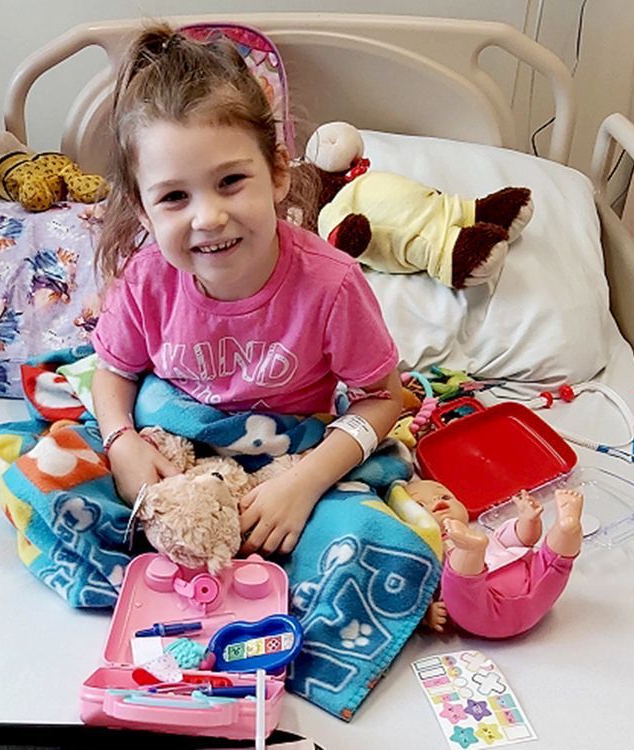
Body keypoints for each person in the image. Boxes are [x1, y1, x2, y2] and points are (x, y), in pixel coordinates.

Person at [89, 24, 403, 557]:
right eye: (173, 197)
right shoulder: (147, 280)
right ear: (143, 210)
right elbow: (113, 372)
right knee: (57, 491)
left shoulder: (331, 286)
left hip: (291, 453)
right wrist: (121, 444)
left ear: (278, 172)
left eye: (231, 181)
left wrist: (303, 484)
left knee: (363, 544)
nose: (209, 217)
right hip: (173, 444)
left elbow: (384, 398)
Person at [390, 479, 584, 639]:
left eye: (445, 496)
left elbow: (525, 539)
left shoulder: (493, 537)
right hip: (486, 612)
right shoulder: (428, 554)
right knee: (460, 584)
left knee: (555, 561)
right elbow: (414, 594)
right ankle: (469, 551)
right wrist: (428, 614)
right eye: (421, 506)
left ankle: (567, 527)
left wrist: (528, 520)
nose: (438, 503)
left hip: (539, 590)